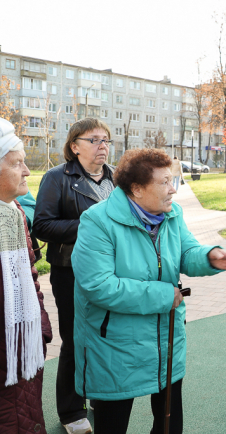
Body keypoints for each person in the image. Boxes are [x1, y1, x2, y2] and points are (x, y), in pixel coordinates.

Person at [71, 148, 226, 434]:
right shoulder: (97, 221)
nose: (173, 189)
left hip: (166, 338)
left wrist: (209, 256)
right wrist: (164, 296)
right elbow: (99, 286)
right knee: (112, 425)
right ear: (137, 189)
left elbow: (185, 251)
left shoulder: (171, 214)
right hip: (115, 344)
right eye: (164, 182)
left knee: (169, 425)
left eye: (172, 180)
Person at [32, 118, 116, 434]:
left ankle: (99, 395)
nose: (102, 145)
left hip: (112, 272)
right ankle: (71, 411)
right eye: (94, 139)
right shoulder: (57, 178)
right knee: (75, 339)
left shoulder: (116, 178)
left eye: (106, 139)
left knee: (106, 336)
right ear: (74, 146)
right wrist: (89, 225)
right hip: (71, 271)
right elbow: (41, 225)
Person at [0, 119, 52, 434]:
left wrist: (40, 325)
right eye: (18, 163)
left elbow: (30, 279)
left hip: (22, 350)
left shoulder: (13, 213)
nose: (28, 171)